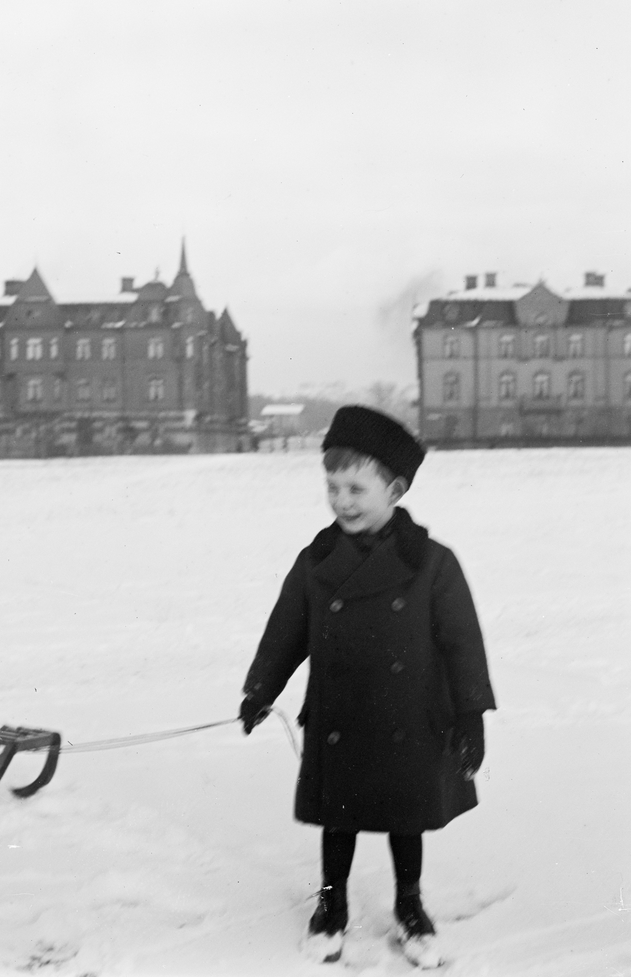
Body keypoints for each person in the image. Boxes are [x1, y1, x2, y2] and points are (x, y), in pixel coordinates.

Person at [240, 406, 495, 969]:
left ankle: (410, 904)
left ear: (396, 490)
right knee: (339, 817)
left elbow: (462, 645)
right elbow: (286, 630)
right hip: (340, 715)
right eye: (332, 487)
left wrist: (471, 716)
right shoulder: (316, 561)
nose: (342, 501)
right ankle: (332, 906)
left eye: (357, 488)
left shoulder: (432, 563)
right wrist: (261, 689)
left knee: (407, 817)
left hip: (410, 716)